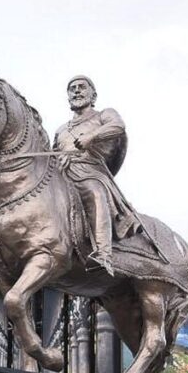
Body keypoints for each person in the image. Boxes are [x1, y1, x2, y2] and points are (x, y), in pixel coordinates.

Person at [52, 75, 142, 275]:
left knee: (95, 193)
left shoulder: (104, 115)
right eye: (72, 88)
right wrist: (58, 162)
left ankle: (103, 253)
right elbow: (52, 158)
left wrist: (92, 136)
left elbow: (118, 126)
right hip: (63, 176)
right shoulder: (61, 130)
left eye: (81, 87)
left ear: (93, 95)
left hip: (91, 172)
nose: (76, 91)